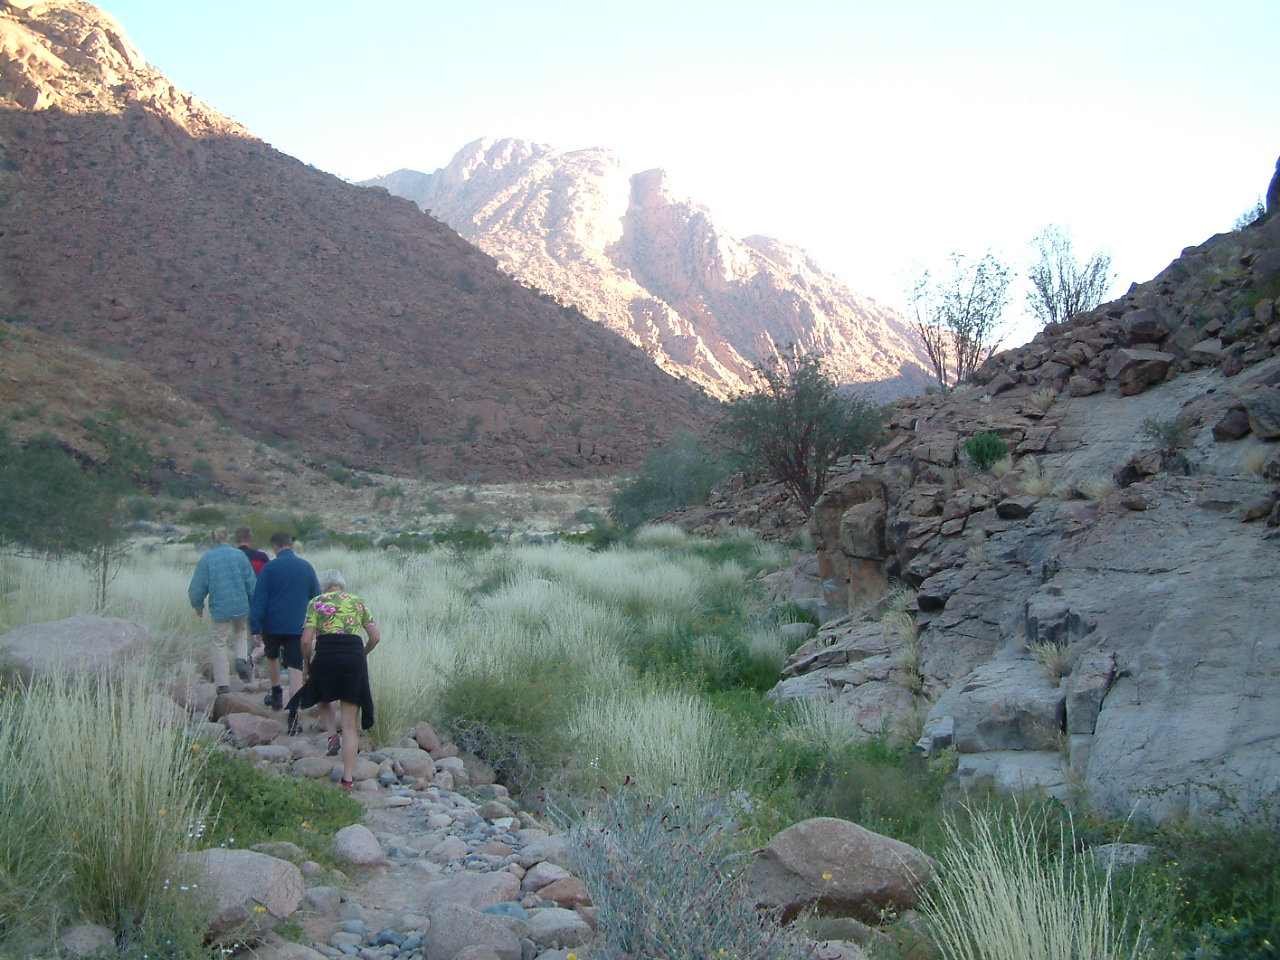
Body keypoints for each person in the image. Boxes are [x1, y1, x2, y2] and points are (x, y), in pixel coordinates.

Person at [288, 569, 382, 790]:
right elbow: (375, 637)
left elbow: (305, 641)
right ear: (342, 585)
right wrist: (362, 653)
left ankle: (331, 734)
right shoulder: (358, 602)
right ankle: (348, 779)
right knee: (350, 724)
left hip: (327, 653)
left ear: (325, 586)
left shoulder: (316, 602)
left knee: (320, 692)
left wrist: (307, 664)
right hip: (353, 657)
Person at [249, 531, 321, 718]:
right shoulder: (306, 567)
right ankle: (293, 711)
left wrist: (255, 627)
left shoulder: (269, 568)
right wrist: (318, 624)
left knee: (271, 656)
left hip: (272, 624)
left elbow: (260, 598)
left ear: (275, 546)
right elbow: (317, 597)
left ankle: (276, 694)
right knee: (294, 665)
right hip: (297, 625)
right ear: (292, 545)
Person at [187, 526, 256, 694]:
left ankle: (223, 684)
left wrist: (198, 605)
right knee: (240, 633)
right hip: (240, 604)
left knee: (219, 642)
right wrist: (254, 603)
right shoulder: (239, 555)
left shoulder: (207, 559)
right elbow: (251, 582)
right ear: (227, 538)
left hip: (220, 606)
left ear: (213, 539)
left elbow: (197, 586)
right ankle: (240, 659)